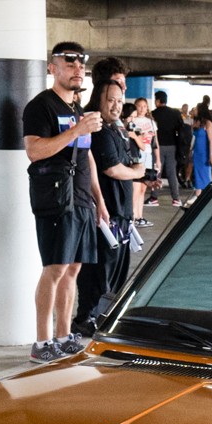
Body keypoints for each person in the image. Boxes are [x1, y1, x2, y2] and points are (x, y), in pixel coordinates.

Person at [22, 40, 105, 362]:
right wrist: (76, 130)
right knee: (54, 268)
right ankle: (42, 341)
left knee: (73, 269)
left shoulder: (76, 109)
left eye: (80, 65)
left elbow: (87, 157)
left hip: (81, 197)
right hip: (56, 196)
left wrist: (98, 199)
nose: (77, 70)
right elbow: (34, 151)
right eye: (69, 64)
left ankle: (63, 333)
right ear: (52, 68)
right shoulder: (41, 106)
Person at [83, 77, 145, 330]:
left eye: (120, 101)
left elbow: (130, 161)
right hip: (105, 214)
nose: (117, 106)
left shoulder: (117, 130)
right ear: (99, 98)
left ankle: (105, 317)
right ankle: (87, 318)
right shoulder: (98, 131)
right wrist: (137, 173)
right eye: (111, 100)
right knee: (100, 272)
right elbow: (112, 169)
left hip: (121, 214)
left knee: (117, 273)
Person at [150, 91, 185, 206]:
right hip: (172, 146)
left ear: (158, 101)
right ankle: (176, 199)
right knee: (172, 173)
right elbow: (181, 129)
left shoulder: (153, 114)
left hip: (158, 146)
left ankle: (154, 198)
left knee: (156, 172)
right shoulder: (175, 113)